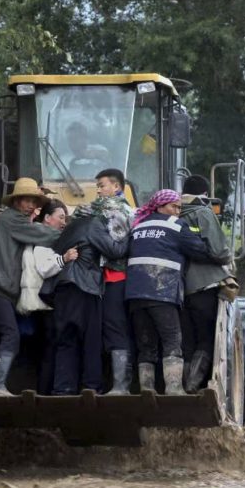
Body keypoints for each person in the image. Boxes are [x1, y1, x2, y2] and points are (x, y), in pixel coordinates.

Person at [126, 189, 215, 395]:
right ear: (159, 206)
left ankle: (146, 390)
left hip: (135, 294)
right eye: (173, 206)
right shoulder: (175, 225)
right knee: (172, 341)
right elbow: (200, 250)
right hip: (162, 292)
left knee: (146, 344)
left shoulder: (138, 226)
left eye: (179, 208)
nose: (177, 211)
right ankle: (174, 388)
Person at [41, 195, 129, 394]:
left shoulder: (69, 228)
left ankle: (63, 389)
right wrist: (127, 237)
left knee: (66, 339)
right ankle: (91, 386)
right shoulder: (93, 224)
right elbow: (114, 250)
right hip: (84, 287)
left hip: (62, 287)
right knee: (91, 340)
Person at [0, 178, 62, 396]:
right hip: (1, 287)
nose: (30, 205)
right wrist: (69, 234)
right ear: (16, 201)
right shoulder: (12, 221)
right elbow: (43, 234)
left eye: (34, 201)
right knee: (11, 335)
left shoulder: (10, 219)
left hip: (4, 289)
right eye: (26, 200)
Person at [178, 174, 232, 392]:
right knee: (207, 338)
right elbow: (219, 250)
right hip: (204, 286)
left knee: (187, 341)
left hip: (178, 289)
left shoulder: (171, 213)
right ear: (205, 194)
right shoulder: (203, 212)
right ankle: (194, 386)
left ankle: (181, 387)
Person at [18, 199, 77, 395]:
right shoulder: (43, 241)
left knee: (48, 350)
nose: (64, 222)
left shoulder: (41, 237)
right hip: (46, 304)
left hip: (44, 303)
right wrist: (64, 258)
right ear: (47, 219)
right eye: (60, 217)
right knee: (50, 350)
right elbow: (44, 268)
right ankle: (46, 394)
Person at [94, 168, 136, 395]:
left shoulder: (116, 209)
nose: (98, 190)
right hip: (111, 278)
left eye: (102, 185)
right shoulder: (121, 209)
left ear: (117, 187)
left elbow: (115, 246)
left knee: (115, 327)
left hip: (115, 276)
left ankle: (121, 385)